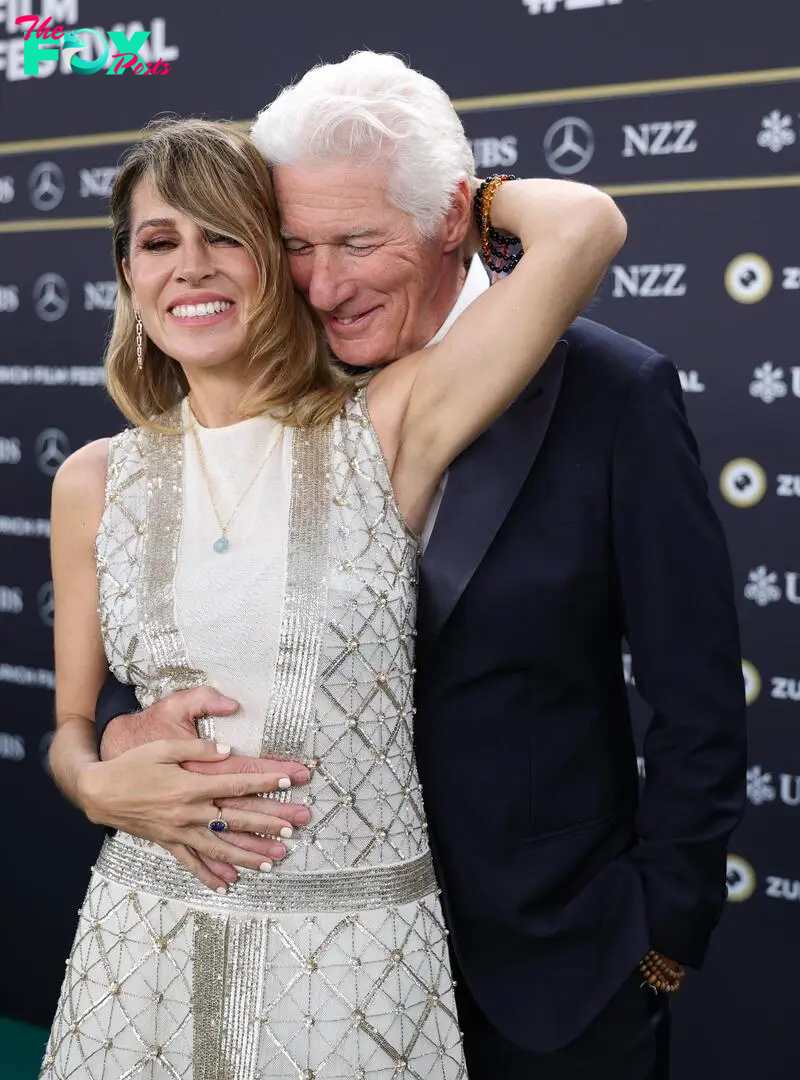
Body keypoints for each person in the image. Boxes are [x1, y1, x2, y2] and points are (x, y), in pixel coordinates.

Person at [42, 109, 625, 1079]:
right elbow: (68, 723)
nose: (190, 264)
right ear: (128, 276)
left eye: (224, 234)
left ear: (279, 260)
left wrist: (462, 202)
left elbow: (582, 227)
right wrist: (93, 785)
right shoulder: (92, 481)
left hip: (352, 964)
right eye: (159, 240)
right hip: (139, 944)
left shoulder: (384, 428)